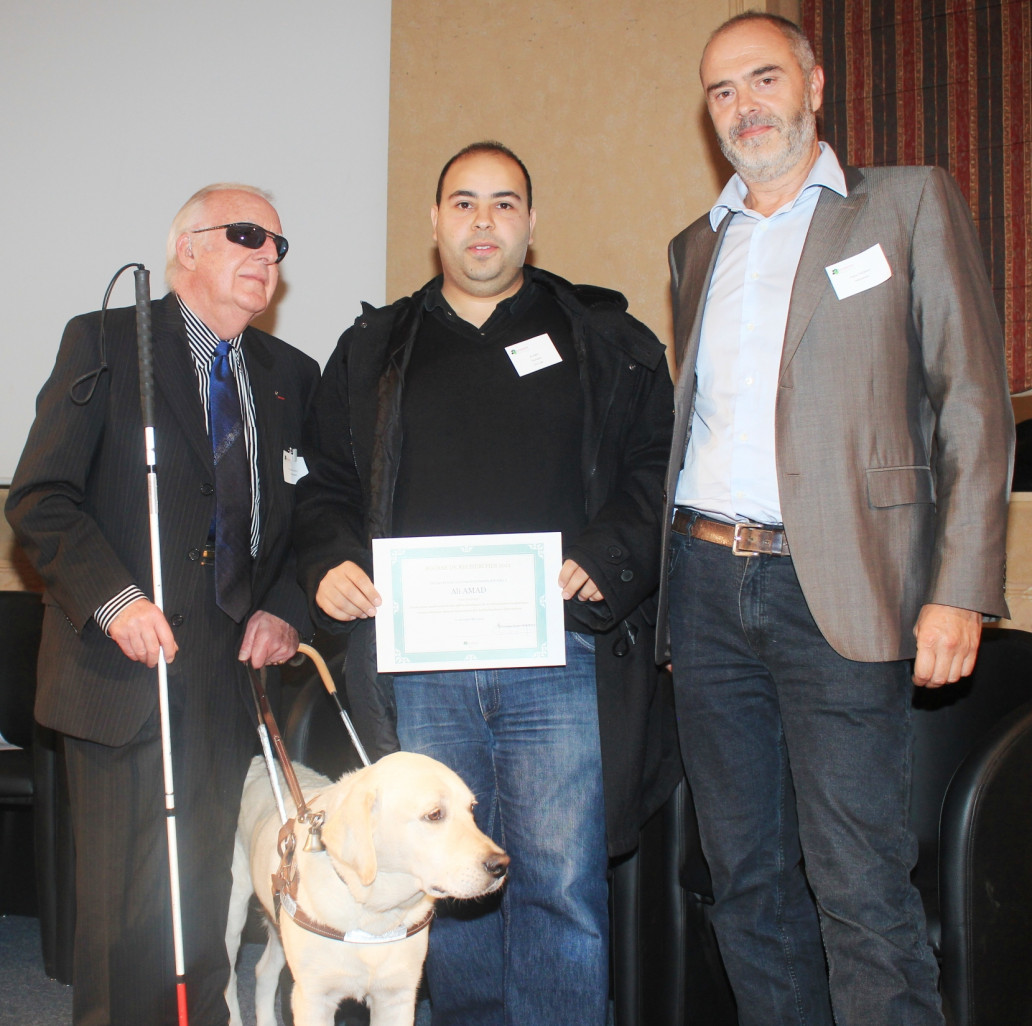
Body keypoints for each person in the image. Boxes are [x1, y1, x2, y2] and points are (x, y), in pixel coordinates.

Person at [658, 13, 1013, 1026]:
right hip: (705, 587)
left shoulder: (906, 204)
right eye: (722, 91)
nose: (744, 106)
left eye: (763, 78)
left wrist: (959, 589)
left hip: (846, 590)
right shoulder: (695, 246)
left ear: (813, 80)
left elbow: (974, 406)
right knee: (749, 887)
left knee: (859, 887)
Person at [293, 141, 679, 1026]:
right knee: (443, 881)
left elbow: (658, 468)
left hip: (561, 663)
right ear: (434, 223)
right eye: (463, 203)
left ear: (531, 225)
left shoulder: (604, 342)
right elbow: (323, 487)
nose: (483, 221)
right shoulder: (373, 348)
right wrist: (330, 563)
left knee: (559, 882)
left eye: (504, 204)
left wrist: (610, 552)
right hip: (422, 667)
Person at [6, 184, 319, 1026]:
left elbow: (307, 522)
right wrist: (116, 601)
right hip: (120, 667)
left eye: (278, 246)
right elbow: (41, 497)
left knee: (199, 895)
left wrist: (284, 605)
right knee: (123, 909)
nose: (267, 257)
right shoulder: (109, 340)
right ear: (187, 246)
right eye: (247, 235)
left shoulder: (289, 376)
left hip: (225, 677)